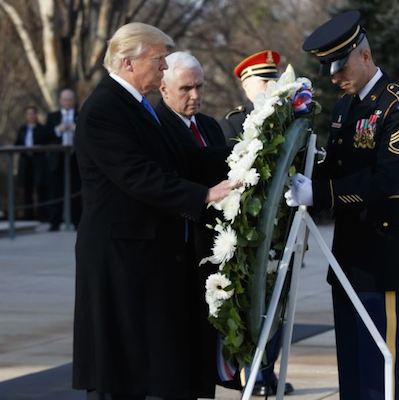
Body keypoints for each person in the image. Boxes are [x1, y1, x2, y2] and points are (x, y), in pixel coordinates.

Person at [72, 22, 237, 400]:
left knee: (146, 362)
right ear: (128, 62)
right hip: (119, 255)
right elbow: (137, 175)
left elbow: (182, 159)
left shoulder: (137, 105)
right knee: (120, 366)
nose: (164, 67)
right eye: (158, 60)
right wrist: (203, 195)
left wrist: (244, 153)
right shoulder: (104, 109)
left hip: (143, 251)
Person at [288, 10, 399, 399]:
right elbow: (335, 166)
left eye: (340, 67)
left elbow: (386, 178)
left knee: (380, 365)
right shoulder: (344, 107)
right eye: (328, 70)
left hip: (384, 252)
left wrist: (321, 194)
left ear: (364, 55)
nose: (334, 77)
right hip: (350, 252)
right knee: (350, 363)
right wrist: (298, 176)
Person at [218, 49, 295, 397]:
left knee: (278, 301)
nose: (270, 86)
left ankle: (267, 371)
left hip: (282, 227)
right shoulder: (232, 125)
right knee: (250, 302)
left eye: (273, 79)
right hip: (247, 231)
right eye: (263, 80)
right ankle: (250, 372)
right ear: (246, 84)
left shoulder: (289, 121)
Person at [155, 50, 231, 397]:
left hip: (213, 250)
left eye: (199, 86)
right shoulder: (158, 126)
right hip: (180, 251)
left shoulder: (210, 126)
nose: (195, 95)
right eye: (186, 88)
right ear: (164, 88)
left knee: (206, 343)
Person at [219, 50, 281, 145]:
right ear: (246, 85)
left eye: (275, 80)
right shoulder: (232, 122)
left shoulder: (286, 111)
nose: (272, 85)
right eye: (265, 81)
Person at [45, 88, 81, 230]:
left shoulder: (80, 115)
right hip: (57, 159)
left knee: (76, 191)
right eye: (64, 99)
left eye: (70, 99)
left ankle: (77, 222)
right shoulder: (52, 116)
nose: (67, 102)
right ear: (60, 101)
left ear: (74, 101)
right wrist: (57, 130)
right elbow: (45, 135)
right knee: (56, 191)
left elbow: (88, 135)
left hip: (75, 158)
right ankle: (55, 222)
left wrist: (76, 129)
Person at [14, 106, 49, 220]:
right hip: (25, 162)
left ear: (36, 115)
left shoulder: (42, 128)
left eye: (32, 113)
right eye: (28, 114)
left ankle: (42, 215)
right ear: (26, 116)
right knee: (27, 189)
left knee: (40, 188)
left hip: (39, 162)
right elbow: (17, 143)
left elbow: (46, 143)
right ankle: (28, 216)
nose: (31, 116)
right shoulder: (22, 129)